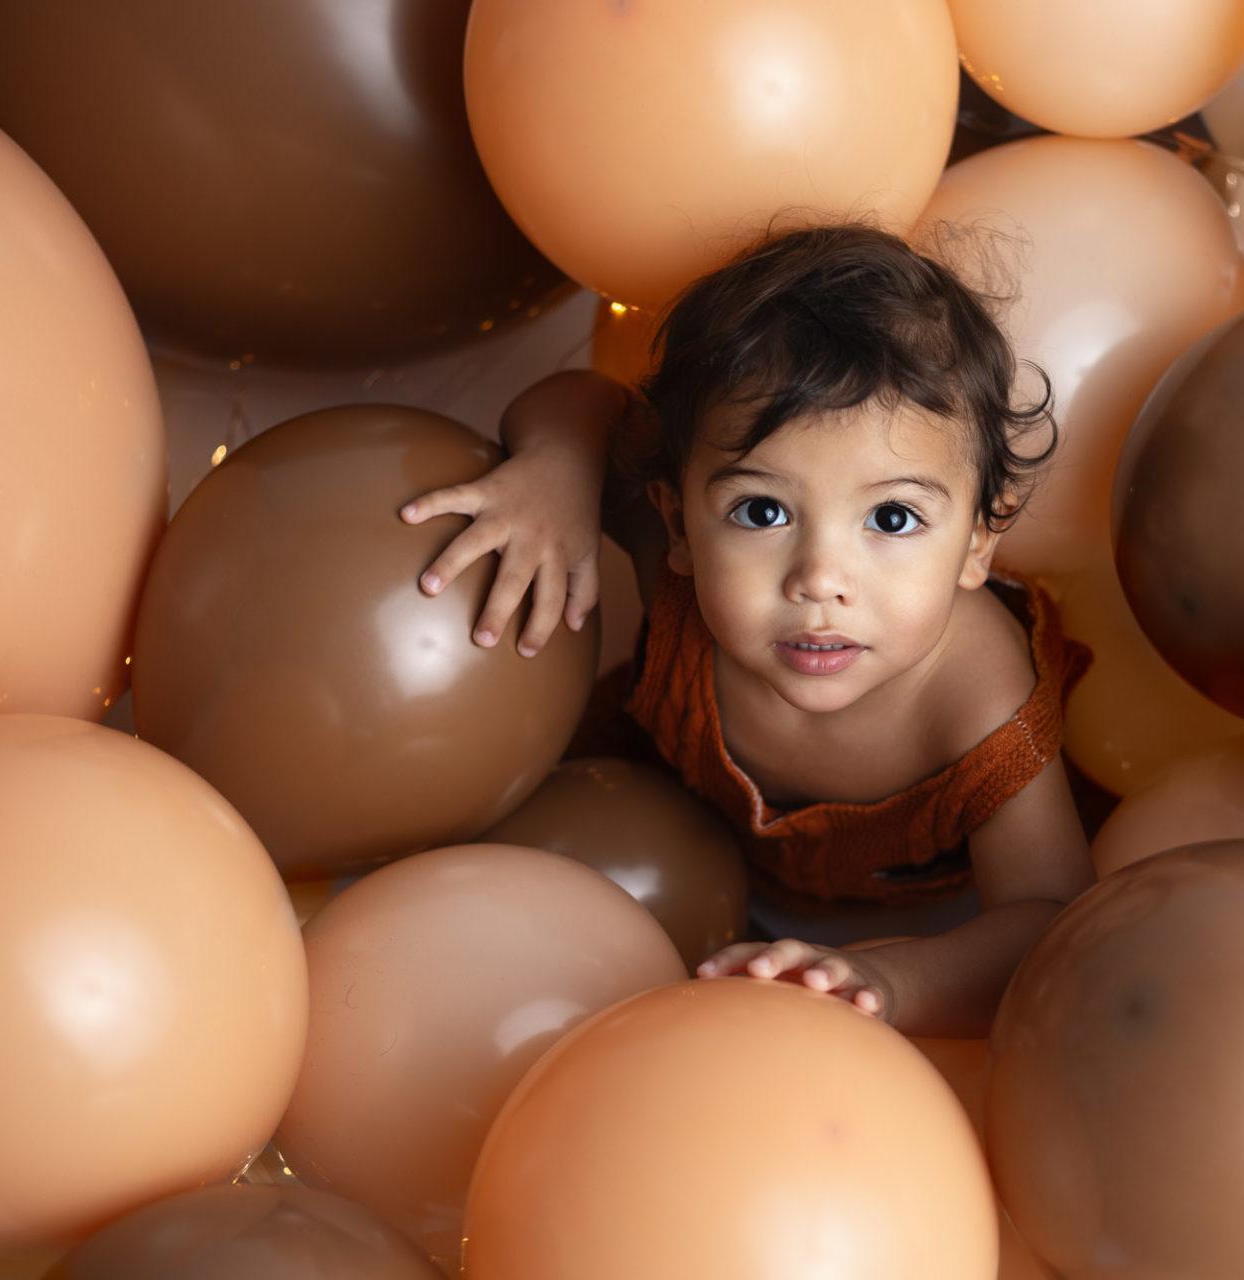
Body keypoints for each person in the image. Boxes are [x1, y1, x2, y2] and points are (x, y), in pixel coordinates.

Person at [399, 224, 1093, 1039]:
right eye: (762, 511)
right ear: (680, 523)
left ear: (979, 541)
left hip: (890, 924)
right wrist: (558, 471)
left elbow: (1052, 918)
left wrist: (886, 981)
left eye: (893, 517)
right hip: (633, 817)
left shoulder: (978, 703)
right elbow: (584, 402)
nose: (819, 579)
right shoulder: (675, 558)